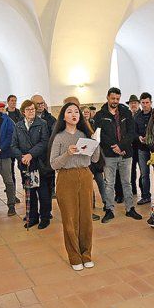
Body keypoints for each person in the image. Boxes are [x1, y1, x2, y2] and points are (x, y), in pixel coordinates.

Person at [49, 102, 101, 270]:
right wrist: (67, 153)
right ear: (63, 116)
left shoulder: (84, 135)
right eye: (69, 112)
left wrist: (95, 144)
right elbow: (53, 164)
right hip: (66, 178)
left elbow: (94, 160)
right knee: (70, 219)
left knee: (86, 217)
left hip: (85, 176)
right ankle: (74, 256)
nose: (74, 114)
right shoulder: (59, 137)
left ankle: (86, 254)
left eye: (76, 112)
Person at [93, 87, 143, 223]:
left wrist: (121, 146)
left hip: (126, 154)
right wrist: (114, 147)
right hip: (109, 154)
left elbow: (131, 132)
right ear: (107, 97)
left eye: (117, 99)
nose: (115, 101)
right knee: (109, 183)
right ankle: (109, 209)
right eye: (113, 98)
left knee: (127, 183)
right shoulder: (100, 115)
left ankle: (130, 209)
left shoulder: (126, 112)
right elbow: (100, 135)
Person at [11, 99, 52, 229]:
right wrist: (21, 157)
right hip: (25, 165)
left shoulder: (42, 124)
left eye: (33, 109)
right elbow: (13, 145)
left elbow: (44, 142)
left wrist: (31, 154)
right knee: (30, 192)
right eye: (28, 109)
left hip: (39, 164)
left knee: (43, 192)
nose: (31, 111)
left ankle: (45, 217)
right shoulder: (18, 126)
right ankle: (32, 217)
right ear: (23, 112)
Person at [84, 105, 106, 221]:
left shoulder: (94, 123)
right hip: (86, 158)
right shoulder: (80, 126)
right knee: (88, 184)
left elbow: (97, 136)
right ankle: (90, 205)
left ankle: (106, 202)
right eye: (84, 112)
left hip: (96, 157)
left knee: (100, 180)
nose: (86, 113)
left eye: (87, 112)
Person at [134, 92, 154, 205]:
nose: (145, 105)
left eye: (147, 102)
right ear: (140, 103)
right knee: (144, 174)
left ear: (151, 102)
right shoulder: (137, 117)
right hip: (142, 148)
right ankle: (146, 195)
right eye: (143, 103)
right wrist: (139, 137)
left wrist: (150, 137)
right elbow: (134, 132)